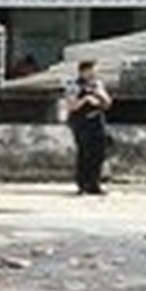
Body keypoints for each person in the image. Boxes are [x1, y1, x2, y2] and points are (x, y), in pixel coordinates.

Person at [65, 60, 113, 196]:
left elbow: (108, 103)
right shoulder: (74, 85)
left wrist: (100, 96)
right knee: (85, 152)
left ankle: (94, 183)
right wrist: (86, 99)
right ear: (83, 71)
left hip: (97, 121)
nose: (94, 74)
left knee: (99, 153)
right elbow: (71, 106)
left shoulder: (97, 84)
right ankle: (82, 184)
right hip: (81, 122)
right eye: (91, 71)